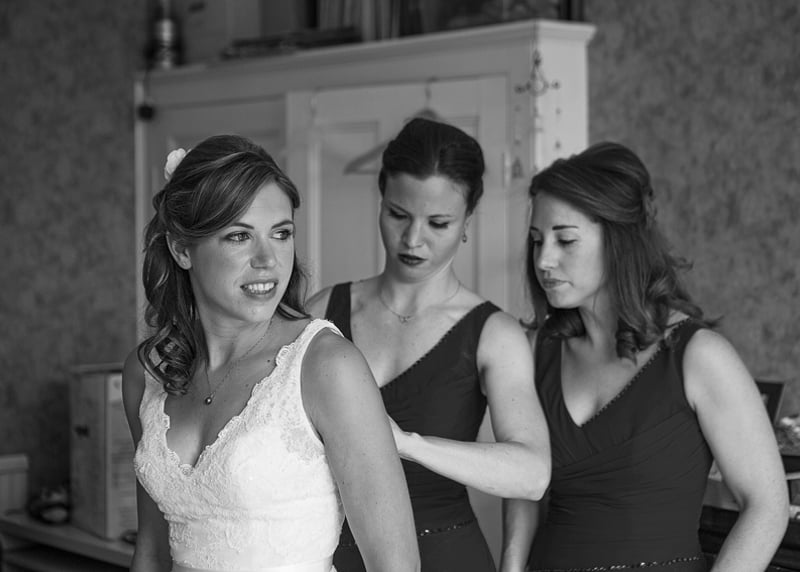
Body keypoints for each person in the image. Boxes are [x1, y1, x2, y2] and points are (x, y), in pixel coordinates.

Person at [121, 134, 420, 572]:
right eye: (239, 236)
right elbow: (151, 550)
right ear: (182, 249)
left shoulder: (326, 366)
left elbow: (396, 566)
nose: (268, 259)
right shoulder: (148, 371)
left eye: (281, 233)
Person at [500, 142, 789, 572]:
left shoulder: (699, 356)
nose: (544, 260)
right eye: (537, 240)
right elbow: (525, 493)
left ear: (619, 240)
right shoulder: (535, 351)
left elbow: (767, 506)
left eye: (565, 240)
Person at [307, 117, 551, 572]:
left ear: (466, 221)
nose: (413, 239)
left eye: (438, 223)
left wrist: (407, 443)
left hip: (445, 556)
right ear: (380, 201)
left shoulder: (493, 333)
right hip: (329, 557)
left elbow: (532, 474)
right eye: (398, 215)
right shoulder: (322, 310)